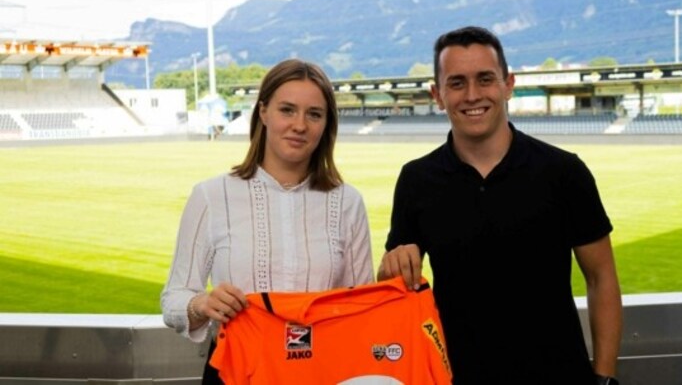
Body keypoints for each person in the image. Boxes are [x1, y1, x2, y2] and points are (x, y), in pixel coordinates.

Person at [378, 26, 622, 384]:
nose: (472, 95)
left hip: (559, 376)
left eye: (485, 79)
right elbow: (396, 286)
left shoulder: (564, 171)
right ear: (438, 94)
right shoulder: (417, 180)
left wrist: (604, 379)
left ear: (508, 84)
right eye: (457, 82)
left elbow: (602, 279)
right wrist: (390, 271)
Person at [161, 58, 375, 382]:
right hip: (237, 371)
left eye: (313, 114)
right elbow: (173, 298)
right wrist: (202, 304)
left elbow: (362, 309)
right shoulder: (210, 196)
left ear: (326, 123)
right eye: (287, 110)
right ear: (263, 112)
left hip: (324, 372)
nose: (299, 125)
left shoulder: (348, 202)